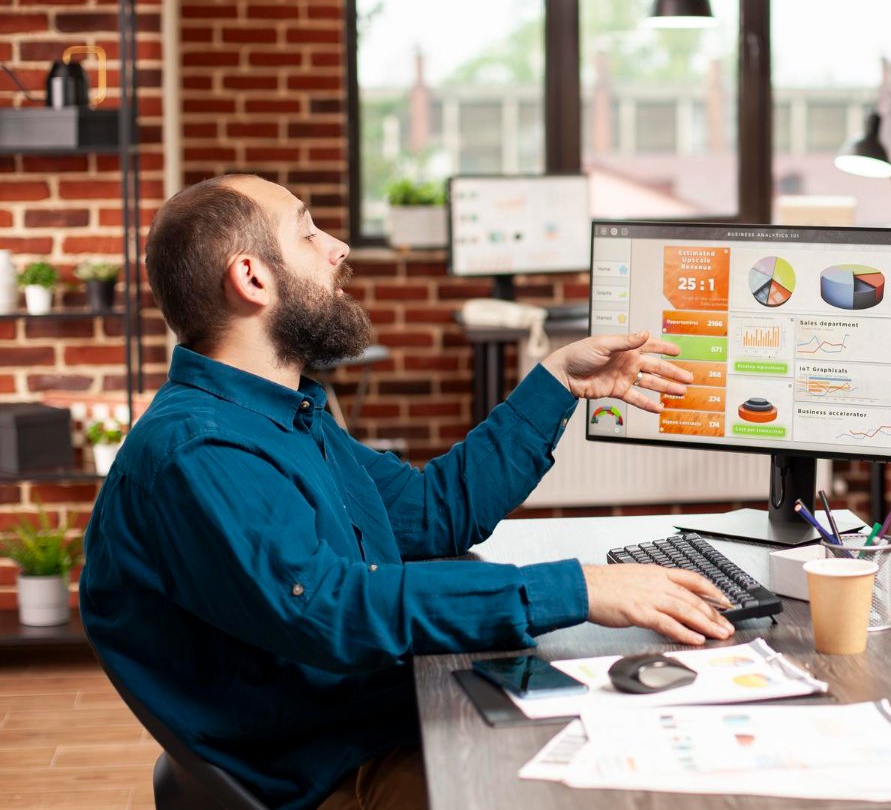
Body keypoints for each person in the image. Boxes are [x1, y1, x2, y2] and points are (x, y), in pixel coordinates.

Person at [81, 174, 736, 810]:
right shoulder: (200, 452)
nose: (338, 249)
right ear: (252, 277)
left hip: (384, 720)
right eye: (309, 234)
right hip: (338, 769)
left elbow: (429, 513)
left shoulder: (284, 415)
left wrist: (555, 380)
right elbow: (334, 608)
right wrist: (580, 589)